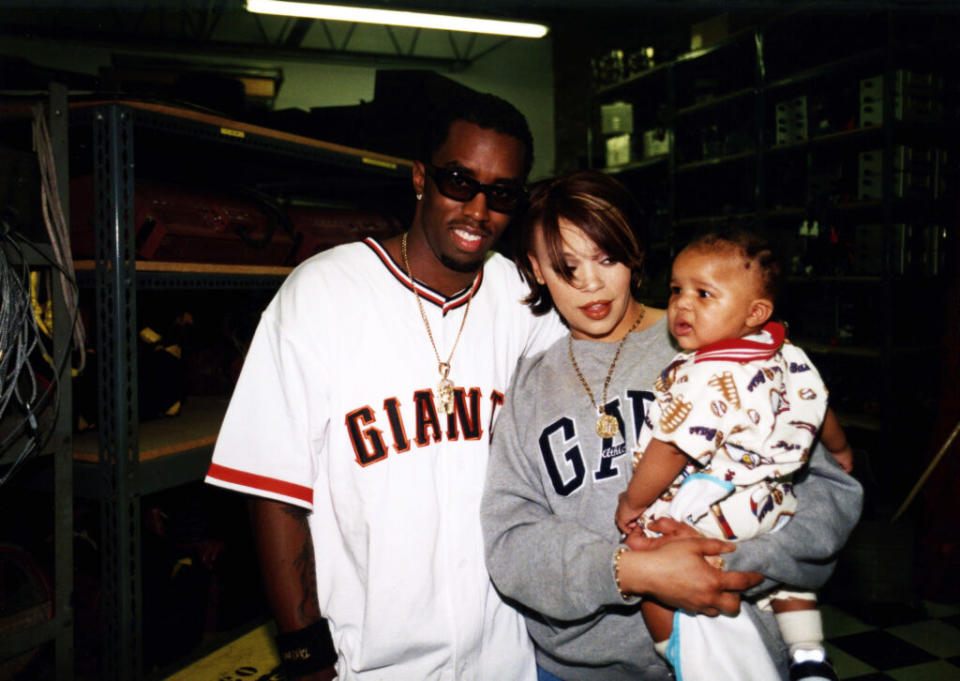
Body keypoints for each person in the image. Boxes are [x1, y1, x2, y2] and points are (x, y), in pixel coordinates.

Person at [204, 91, 570, 680]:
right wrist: (304, 653)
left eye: (501, 193)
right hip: (370, 662)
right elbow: (273, 491)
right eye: (459, 181)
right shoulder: (321, 293)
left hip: (508, 659)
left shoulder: (523, 299)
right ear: (421, 179)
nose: (478, 209)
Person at [481, 171, 863, 681]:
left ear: (634, 254)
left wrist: (737, 562)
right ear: (536, 269)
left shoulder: (719, 340)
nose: (590, 282)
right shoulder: (530, 384)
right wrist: (631, 570)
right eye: (566, 266)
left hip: (738, 650)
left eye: (607, 258)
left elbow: (826, 492)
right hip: (580, 669)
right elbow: (511, 541)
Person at [614, 226, 854, 681]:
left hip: (715, 505)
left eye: (704, 294)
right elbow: (817, 408)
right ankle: (807, 654)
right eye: (676, 289)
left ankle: (679, 655)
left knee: (647, 570)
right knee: (786, 579)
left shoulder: (704, 374)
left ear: (754, 312)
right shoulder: (785, 352)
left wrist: (634, 501)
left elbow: (669, 448)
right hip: (775, 500)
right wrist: (840, 451)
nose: (683, 303)